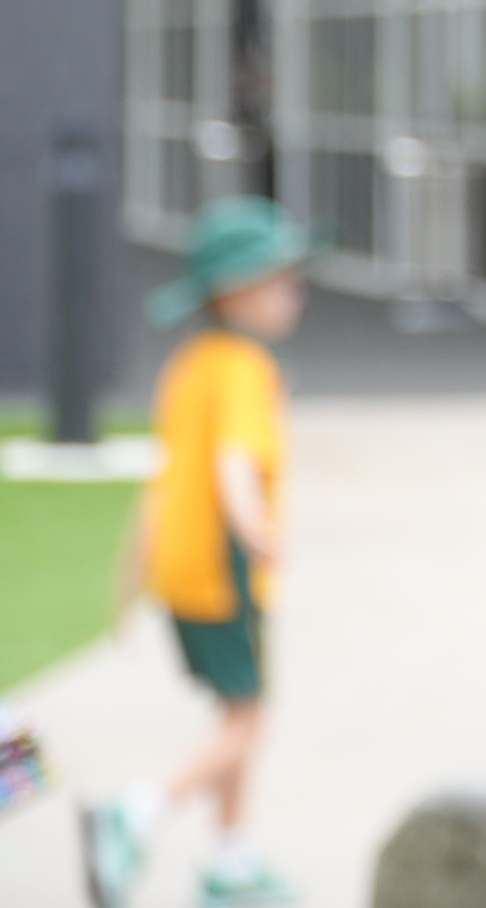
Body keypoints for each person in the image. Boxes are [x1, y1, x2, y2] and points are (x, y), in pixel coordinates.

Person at [85, 197, 311, 908]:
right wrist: (255, 528)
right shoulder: (245, 369)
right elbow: (232, 463)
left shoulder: (191, 365)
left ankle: (232, 858)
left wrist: (129, 578)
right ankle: (136, 813)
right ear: (235, 293)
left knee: (237, 711)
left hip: (182, 572)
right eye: (279, 280)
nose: (293, 294)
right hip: (225, 572)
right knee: (248, 721)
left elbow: (165, 478)